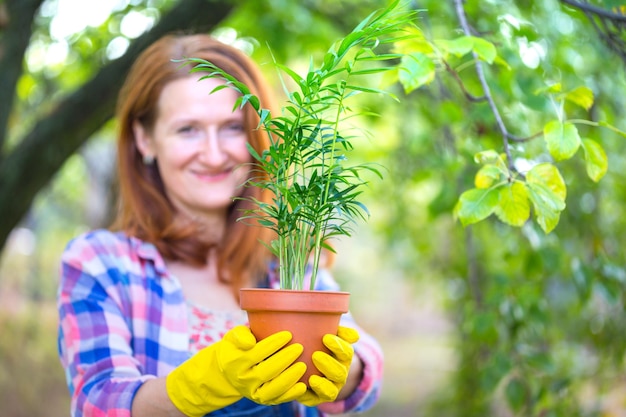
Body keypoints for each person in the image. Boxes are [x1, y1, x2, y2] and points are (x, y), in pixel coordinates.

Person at [57, 33, 384, 417]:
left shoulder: (285, 260)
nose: (214, 154)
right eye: (188, 129)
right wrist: (197, 387)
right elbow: (98, 400)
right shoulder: (101, 264)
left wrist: (347, 372)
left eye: (231, 127)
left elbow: (367, 365)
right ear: (144, 139)